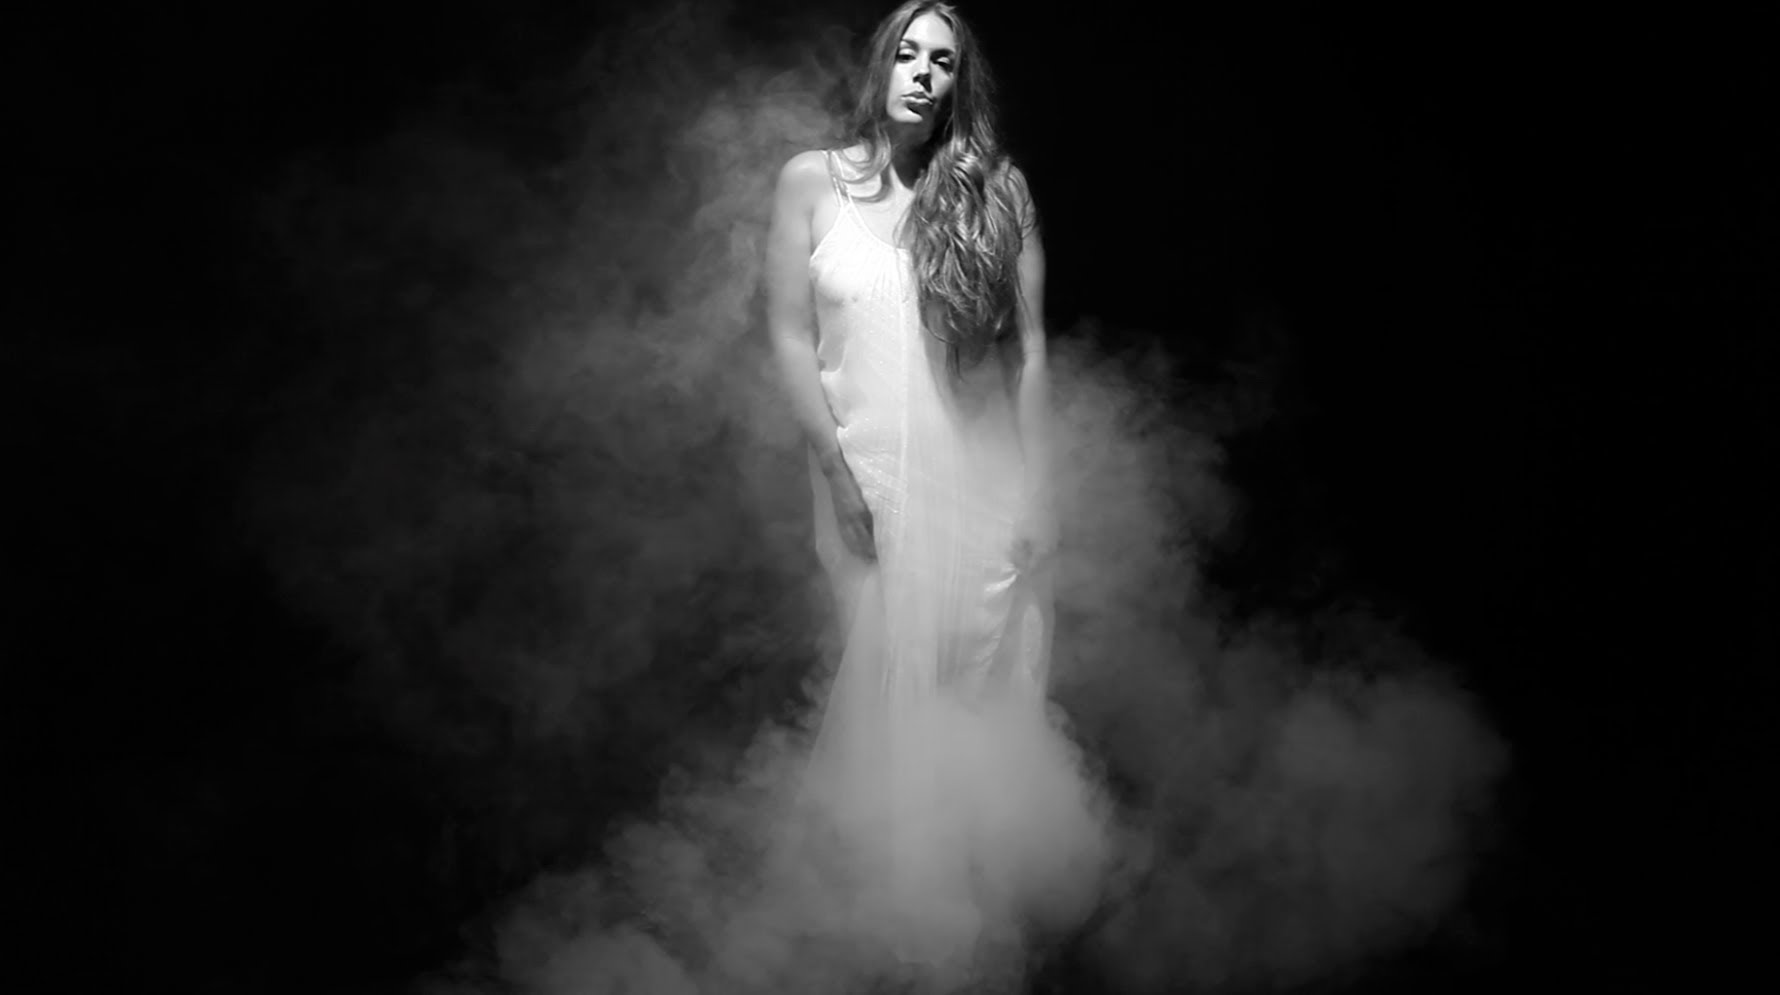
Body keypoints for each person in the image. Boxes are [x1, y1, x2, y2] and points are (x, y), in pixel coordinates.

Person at [763, 0, 1099, 983]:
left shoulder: (996, 189)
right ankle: (861, 935)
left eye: (942, 60)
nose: (921, 71)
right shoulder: (810, 181)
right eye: (906, 53)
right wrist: (837, 476)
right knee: (882, 690)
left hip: (977, 484)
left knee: (972, 696)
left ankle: (954, 944)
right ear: (880, 64)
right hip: (862, 482)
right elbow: (788, 335)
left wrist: (1040, 492)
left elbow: (1029, 351)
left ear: (958, 83)